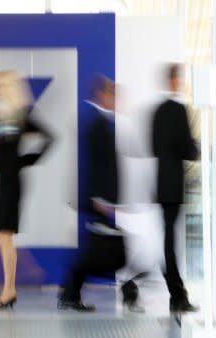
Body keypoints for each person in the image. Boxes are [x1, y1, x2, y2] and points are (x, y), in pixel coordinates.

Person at [58, 75, 144, 312]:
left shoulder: (102, 122)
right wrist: (99, 199)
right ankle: (127, 294)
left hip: (101, 198)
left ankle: (70, 294)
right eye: (114, 95)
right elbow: (94, 165)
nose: (118, 101)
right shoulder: (97, 123)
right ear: (103, 95)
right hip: (98, 199)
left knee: (100, 251)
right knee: (112, 252)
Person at [0, 71, 52, 309]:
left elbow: (49, 137)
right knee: (2, 236)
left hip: (13, 181)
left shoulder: (21, 114)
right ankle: (11, 287)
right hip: (0, 179)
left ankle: (9, 291)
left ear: (7, 88)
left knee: (5, 235)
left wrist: (27, 160)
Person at [151, 64, 199, 313]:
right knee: (170, 240)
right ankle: (177, 295)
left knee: (169, 238)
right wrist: (197, 149)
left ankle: (175, 291)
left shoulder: (157, 111)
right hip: (174, 184)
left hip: (161, 183)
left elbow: (153, 148)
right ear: (174, 81)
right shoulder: (179, 111)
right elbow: (188, 148)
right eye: (180, 78)